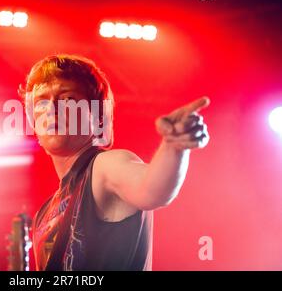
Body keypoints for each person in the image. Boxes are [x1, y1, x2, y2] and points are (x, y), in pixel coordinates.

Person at [18, 54, 210, 271]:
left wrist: (174, 146)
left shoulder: (104, 167)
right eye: (42, 102)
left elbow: (152, 189)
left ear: (98, 116)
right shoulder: (44, 214)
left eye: (68, 99)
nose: (52, 108)